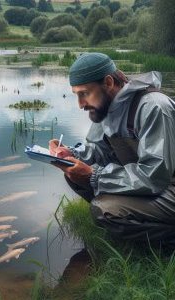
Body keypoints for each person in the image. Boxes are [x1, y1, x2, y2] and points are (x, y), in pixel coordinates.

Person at [49, 52, 175, 242]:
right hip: (156, 182)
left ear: (108, 83)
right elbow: (99, 150)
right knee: (72, 173)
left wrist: (94, 176)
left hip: (166, 183)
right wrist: (71, 153)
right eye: (77, 95)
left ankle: (166, 240)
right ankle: (130, 220)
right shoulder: (107, 107)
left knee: (105, 210)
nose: (81, 105)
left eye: (85, 94)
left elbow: (154, 177)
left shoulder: (154, 107)